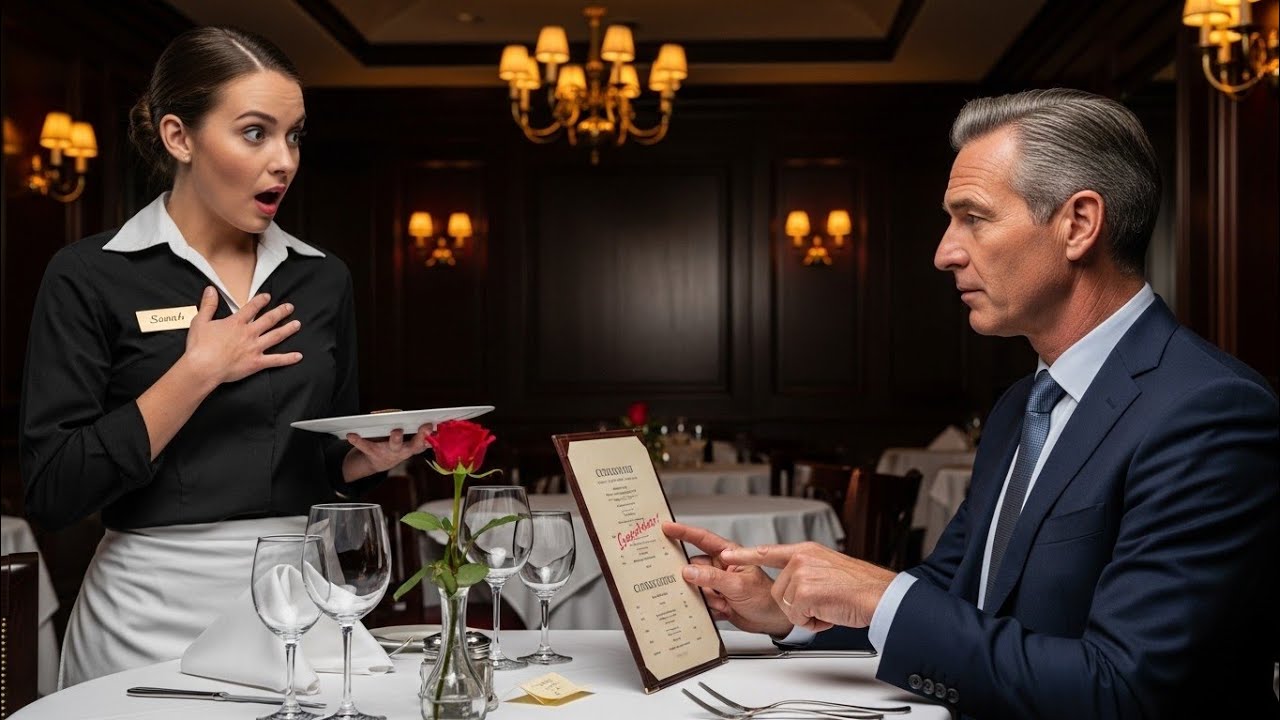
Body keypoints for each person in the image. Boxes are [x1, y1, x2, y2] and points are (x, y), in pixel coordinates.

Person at [666, 89, 1278, 719]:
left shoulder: (1209, 411)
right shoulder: (1023, 404)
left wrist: (880, 596)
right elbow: (952, 598)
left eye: (974, 217)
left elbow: (1124, 690)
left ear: (1079, 224)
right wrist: (785, 611)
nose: (945, 252)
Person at [19, 27, 428, 687]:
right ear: (179, 137)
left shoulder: (323, 279)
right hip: (145, 616)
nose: (284, 161)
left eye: (293, 135)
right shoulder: (89, 275)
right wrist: (196, 372)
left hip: (302, 604)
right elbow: (55, 489)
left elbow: (317, 466)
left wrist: (361, 460)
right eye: (255, 133)